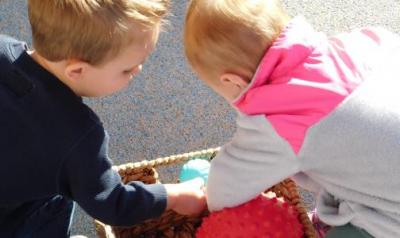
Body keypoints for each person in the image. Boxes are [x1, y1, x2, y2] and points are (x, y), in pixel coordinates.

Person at [183, 0, 400, 237]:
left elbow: (226, 189)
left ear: (232, 82)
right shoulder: (363, 42)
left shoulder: (278, 120)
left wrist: (206, 192)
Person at [0, 0, 206, 237]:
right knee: (61, 195)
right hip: (10, 220)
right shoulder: (79, 137)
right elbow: (113, 203)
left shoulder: (3, 46)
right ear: (77, 71)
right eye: (127, 70)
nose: (137, 71)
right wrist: (175, 196)